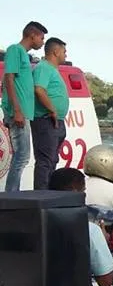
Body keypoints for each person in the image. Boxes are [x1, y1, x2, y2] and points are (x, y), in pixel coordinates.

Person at [2, 21, 47, 191]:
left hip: (23, 113)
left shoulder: (25, 56)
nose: (42, 42)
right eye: (41, 38)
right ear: (32, 35)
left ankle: (13, 194)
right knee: (22, 156)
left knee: (22, 156)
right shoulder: (15, 50)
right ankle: (12, 196)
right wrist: (17, 110)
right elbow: (9, 78)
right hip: (18, 112)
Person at [31, 37, 69, 190]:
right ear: (55, 51)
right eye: (64, 51)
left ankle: (49, 194)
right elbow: (39, 90)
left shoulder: (53, 70)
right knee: (45, 161)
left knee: (52, 160)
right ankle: (42, 196)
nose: (66, 55)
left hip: (56, 121)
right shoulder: (44, 68)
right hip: (46, 120)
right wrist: (52, 109)